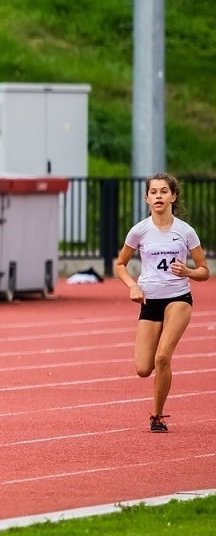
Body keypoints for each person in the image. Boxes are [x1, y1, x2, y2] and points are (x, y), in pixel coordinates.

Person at [115, 174, 207, 432]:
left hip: (178, 298)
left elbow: (204, 271)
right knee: (143, 368)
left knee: (163, 357)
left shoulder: (185, 231)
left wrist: (187, 271)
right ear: (147, 198)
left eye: (163, 191)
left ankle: (157, 415)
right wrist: (132, 286)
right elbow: (120, 264)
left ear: (172, 197)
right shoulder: (140, 230)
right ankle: (156, 403)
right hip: (150, 300)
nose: (158, 196)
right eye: (153, 192)